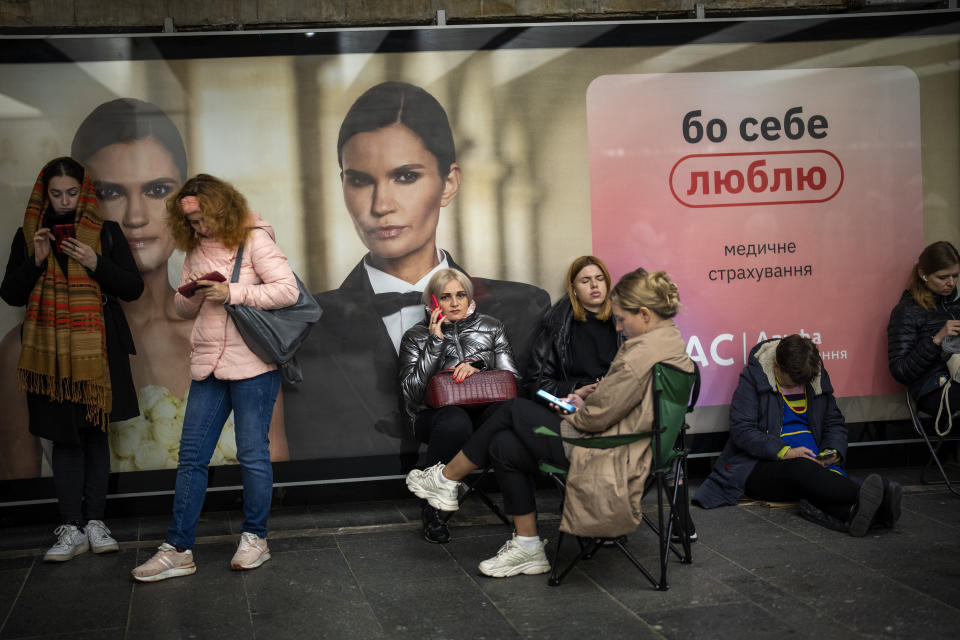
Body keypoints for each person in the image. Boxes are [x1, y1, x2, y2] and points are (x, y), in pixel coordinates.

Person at [286, 81, 550, 462]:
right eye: (360, 180)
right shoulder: (307, 327)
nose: (381, 205)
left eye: (405, 176)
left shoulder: (525, 308)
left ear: (449, 183)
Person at [405, 268, 693, 577]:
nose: (619, 327)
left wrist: (574, 410)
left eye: (622, 319)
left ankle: (447, 480)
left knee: (512, 410)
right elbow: (621, 405)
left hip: (608, 450)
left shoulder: (640, 354)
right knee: (504, 445)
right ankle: (528, 546)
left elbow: (595, 420)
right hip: (630, 444)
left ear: (645, 314)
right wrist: (585, 402)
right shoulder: (668, 343)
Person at [72, 98, 289, 467]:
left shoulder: (242, 327)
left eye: (157, 190)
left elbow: (276, 461)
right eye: (110, 193)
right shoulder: (38, 344)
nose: (136, 216)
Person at [131, 174, 298, 582]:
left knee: (252, 455)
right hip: (208, 365)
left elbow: (288, 291)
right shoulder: (195, 250)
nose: (199, 227)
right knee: (191, 457)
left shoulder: (255, 239)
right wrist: (188, 295)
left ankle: (256, 538)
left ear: (222, 208)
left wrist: (234, 293)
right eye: (190, 221)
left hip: (254, 366)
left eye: (203, 218)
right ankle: (178, 549)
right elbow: (184, 309)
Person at [0, 157, 143, 561]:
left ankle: (96, 522)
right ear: (44, 195)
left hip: (97, 349)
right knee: (63, 436)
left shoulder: (107, 233)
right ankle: (70, 527)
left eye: (72, 193)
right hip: (50, 355)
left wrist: (95, 263)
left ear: (86, 193)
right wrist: (37, 259)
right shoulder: (30, 236)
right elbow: (10, 294)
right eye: (56, 193)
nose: (64, 201)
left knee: (95, 433)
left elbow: (132, 288)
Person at [694, 334, 902, 536]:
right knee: (804, 470)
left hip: (815, 461)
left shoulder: (814, 375)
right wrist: (785, 452)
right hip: (760, 466)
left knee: (819, 480)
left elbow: (834, 422)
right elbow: (743, 431)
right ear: (777, 366)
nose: (797, 386)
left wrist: (833, 451)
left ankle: (854, 513)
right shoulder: (753, 379)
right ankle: (875, 496)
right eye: (791, 382)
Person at [398, 268, 519, 543]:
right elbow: (410, 394)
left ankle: (522, 513)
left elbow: (514, 381)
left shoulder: (492, 327)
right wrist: (435, 344)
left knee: (506, 415)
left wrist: (480, 368)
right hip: (435, 417)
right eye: (446, 296)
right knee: (455, 421)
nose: (454, 303)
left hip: (484, 411)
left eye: (460, 295)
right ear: (434, 301)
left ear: (469, 297)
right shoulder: (415, 336)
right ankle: (432, 510)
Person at [887, 241, 960, 441]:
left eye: (955, 276)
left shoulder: (957, 303)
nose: (951, 283)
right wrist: (937, 338)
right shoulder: (906, 311)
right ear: (923, 274)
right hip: (933, 387)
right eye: (943, 277)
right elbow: (900, 371)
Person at [527, 255, 618, 399]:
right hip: (576, 401)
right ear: (574, 289)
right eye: (585, 280)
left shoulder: (625, 321)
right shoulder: (557, 325)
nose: (594, 285)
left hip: (618, 398)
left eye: (600, 278)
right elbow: (536, 384)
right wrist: (575, 391)